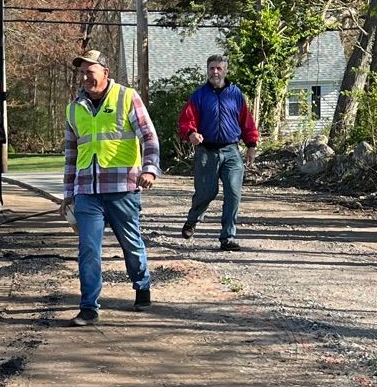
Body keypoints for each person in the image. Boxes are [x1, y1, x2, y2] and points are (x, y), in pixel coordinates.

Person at [62, 48, 160, 326]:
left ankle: (142, 285)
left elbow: (150, 138)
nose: (85, 77)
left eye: (90, 71)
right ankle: (89, 307)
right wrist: (68, 195)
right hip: (87, 192)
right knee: (88, 249)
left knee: (131, 244)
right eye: (82, 72)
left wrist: (150, 170)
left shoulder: (128, 98)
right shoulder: (74, 108)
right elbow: (71, 156)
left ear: (105, 72)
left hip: (123, 189)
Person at [177, 52, 259, 250]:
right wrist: (191, 134)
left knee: (233, 192)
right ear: (207, 70)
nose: (215, 72)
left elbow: (246, 121)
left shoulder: (236, 94)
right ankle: (193, 219)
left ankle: (227, 237)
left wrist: (251, 145)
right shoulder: (199, 95)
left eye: (219, 68)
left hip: (231, 150)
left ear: (225, 70)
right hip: (207, 151)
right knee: (207, 192)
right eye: (212, 68)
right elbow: (186, 121)